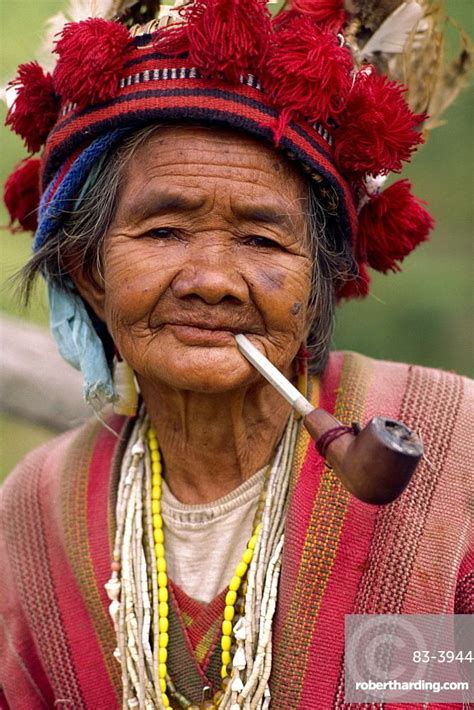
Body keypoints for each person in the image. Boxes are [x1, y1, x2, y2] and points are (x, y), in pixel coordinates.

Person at [0, 1, 472, 708]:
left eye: (262, 240)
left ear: (321, 284)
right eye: (163, 232)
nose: (213, 281)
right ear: (89, 272)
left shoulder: (457, 450)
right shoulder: (34, 512)